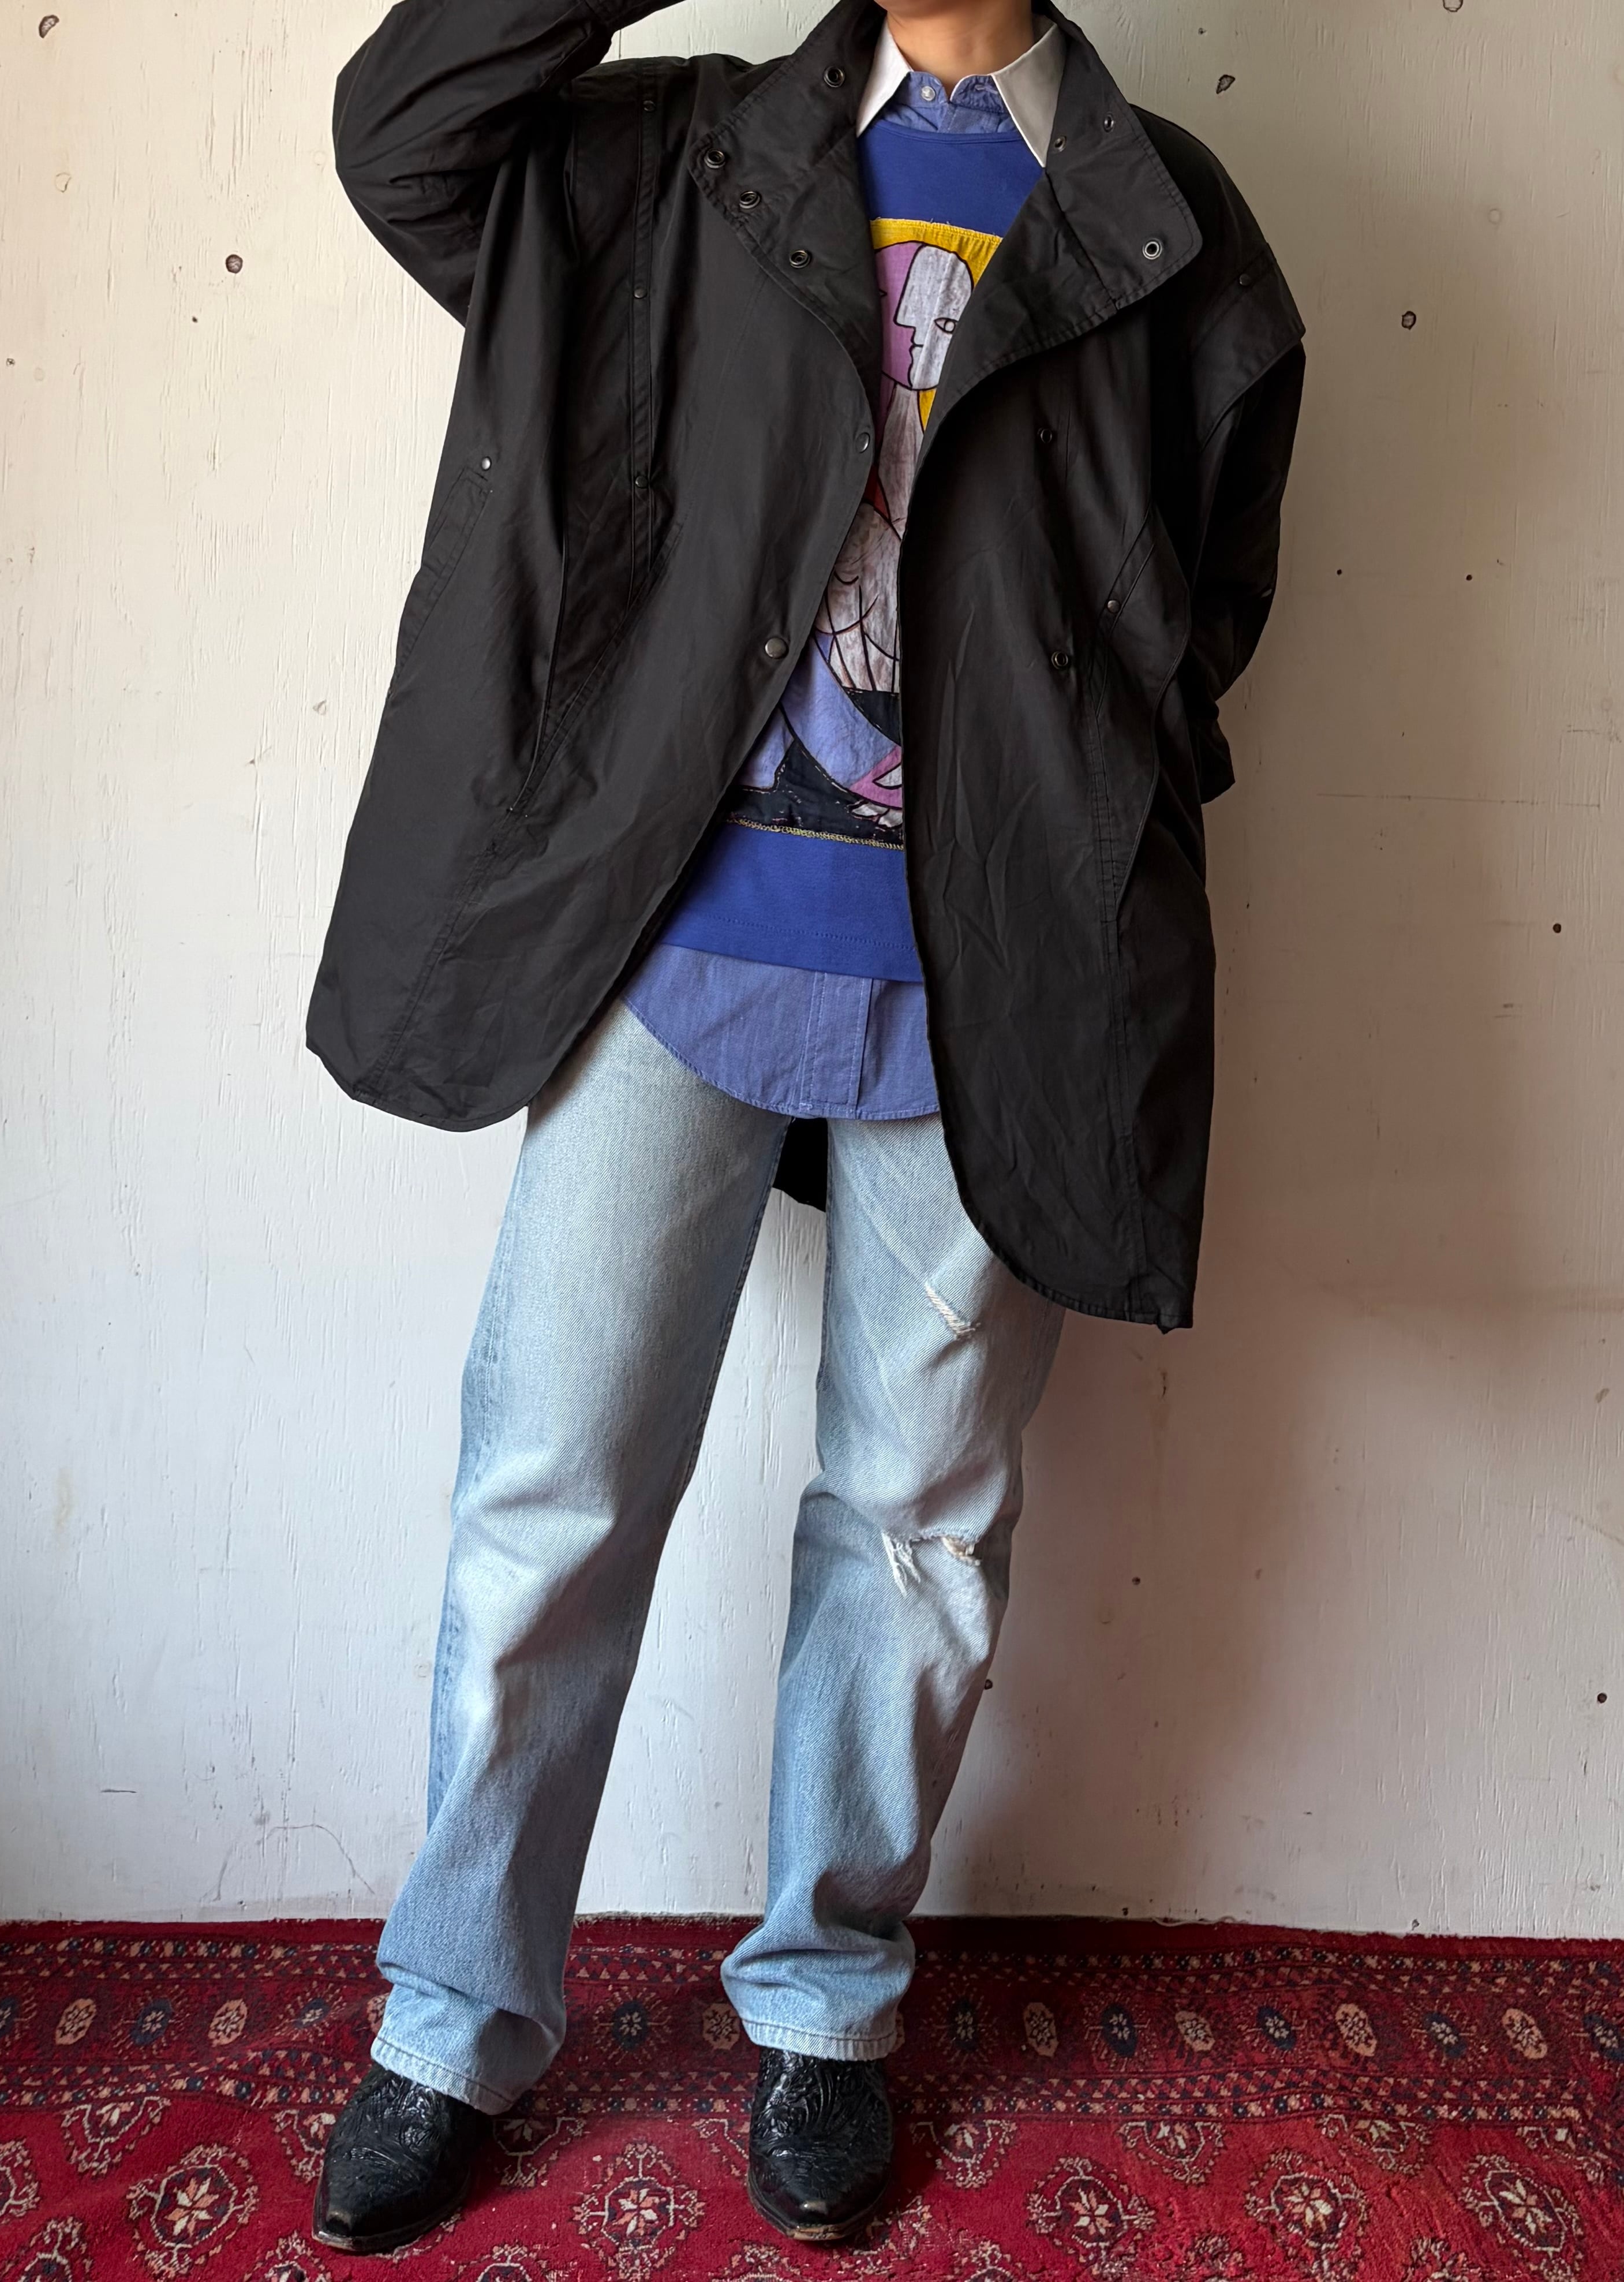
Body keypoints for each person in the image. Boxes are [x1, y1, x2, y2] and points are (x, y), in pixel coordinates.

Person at [306, 0, 1304, 2253]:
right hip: (666, 942)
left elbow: (1209, 597)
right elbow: (403, 138)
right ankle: (452, 2014)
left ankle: (829, 2004)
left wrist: (1070, 781)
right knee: (547, 1489)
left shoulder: (1170, 224)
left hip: (995, 977)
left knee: (917, 1518)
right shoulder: (676, 158)